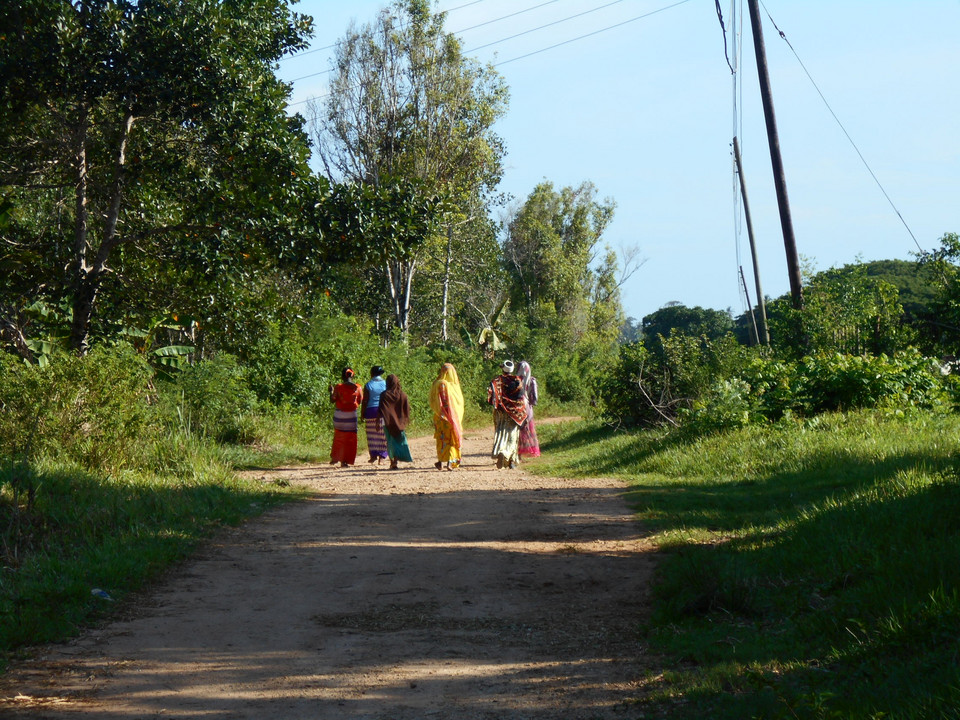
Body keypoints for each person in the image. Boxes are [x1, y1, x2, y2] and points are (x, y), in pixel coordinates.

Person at [487, 359, 527, 469]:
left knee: (501, 433)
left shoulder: (497, 381)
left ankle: (500, 451)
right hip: (515, 413)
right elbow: (521, 398)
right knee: (513, 435)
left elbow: (491, 395)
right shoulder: (518, 381)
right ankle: (510, 458)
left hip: (501, 412)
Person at [430, 362, 464, 471]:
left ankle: (440, 462)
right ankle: (450, 462)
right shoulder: (448, 385)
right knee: (452, 439)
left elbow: (433, 400)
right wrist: (451, 416)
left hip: (439, 417)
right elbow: (446, 402)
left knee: (441, 439)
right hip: (450, 417)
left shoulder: (437, 383)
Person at [328, 367, 363, 468]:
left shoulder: (338, 387)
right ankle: (345, 461)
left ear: (342, 376)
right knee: (350, 439)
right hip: (351, 416)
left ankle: (335, 458)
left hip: (339, 416)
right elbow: (360, 401)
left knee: (338, 437)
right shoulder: (358, 388)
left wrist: (331, 391)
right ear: (352, 376)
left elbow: (332, 400)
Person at [378, 374, 413, 470]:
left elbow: (380, 410)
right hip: (400, 423)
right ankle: (396, 459)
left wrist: (377, 422)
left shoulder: (384, 395)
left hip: (387, 422)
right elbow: (407, 409)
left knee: (390, 442)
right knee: (399, 441)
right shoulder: (403, 395)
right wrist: (405, 421)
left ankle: (392, 461)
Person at [361, 365, 389, 465]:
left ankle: (373, 456)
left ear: (372, 373)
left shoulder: (368, 385)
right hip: (382, 411)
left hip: (370, 410)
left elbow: (365, 401)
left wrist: (362, 413)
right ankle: (382, 456)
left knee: (371, 434)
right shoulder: (386, 384)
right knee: (382, 434)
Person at [517, 360, 541, 458]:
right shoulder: (531, 381)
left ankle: (516, 452)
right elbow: (534, 399)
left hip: (514, 408)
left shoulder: (513, 380)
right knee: (527, 429)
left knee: (516, 430)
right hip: (527, 408)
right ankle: (525, 451)